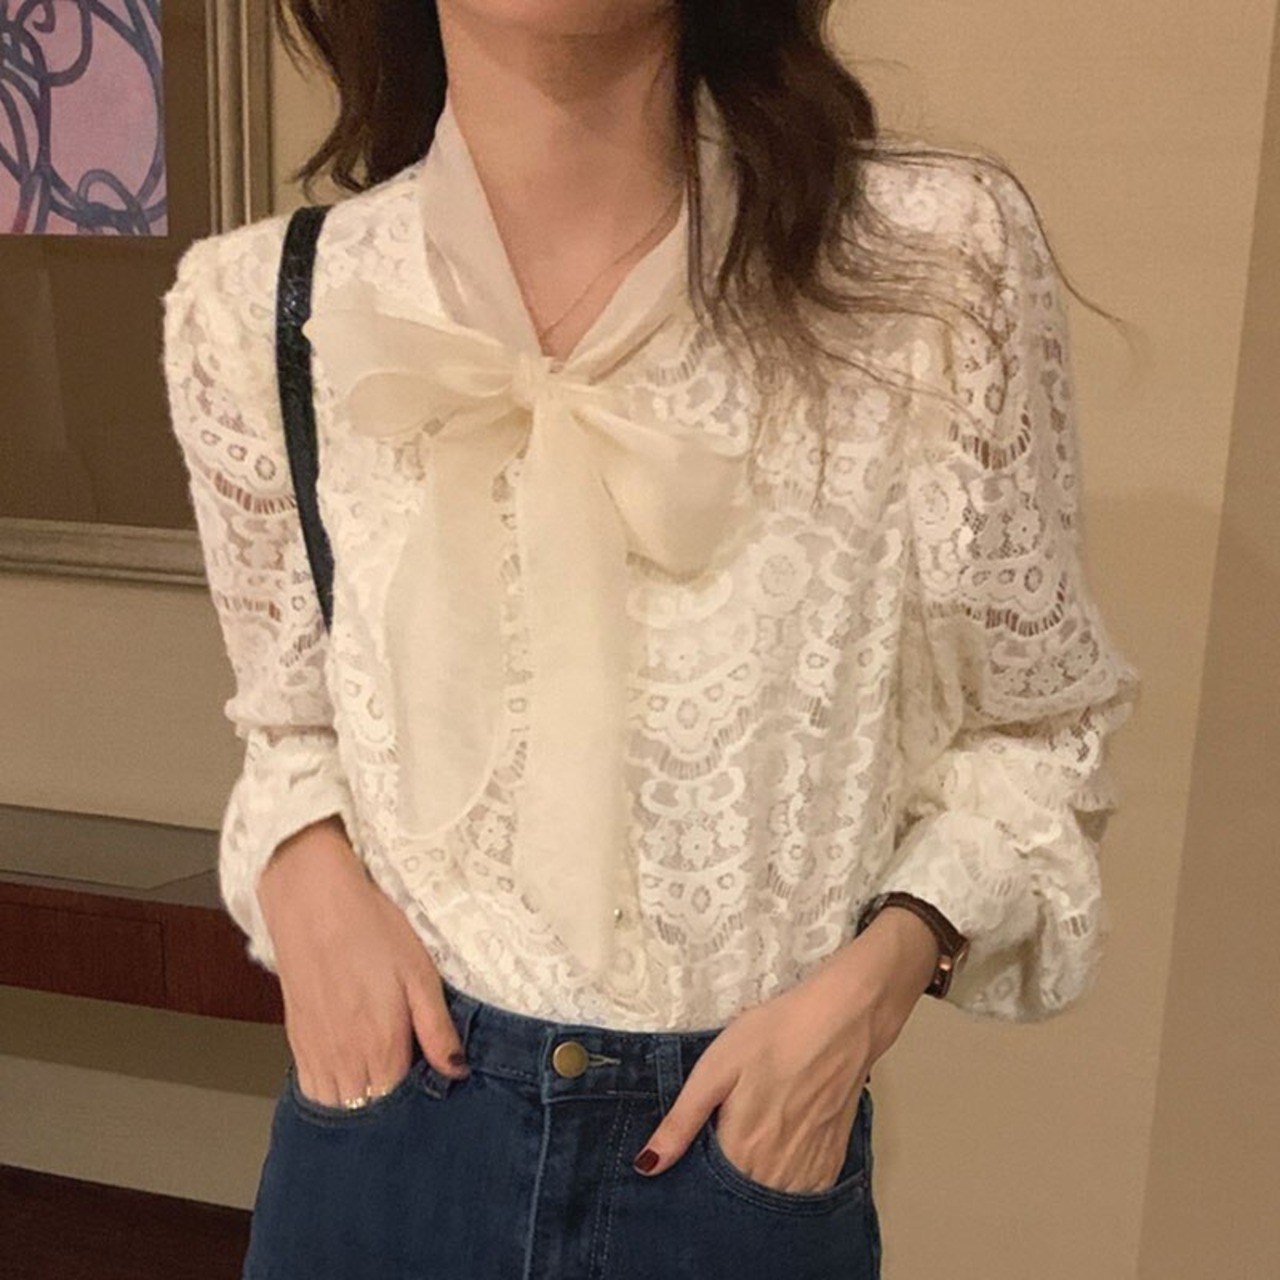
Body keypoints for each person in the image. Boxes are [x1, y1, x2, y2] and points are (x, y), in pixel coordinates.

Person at [161, 2, 1142, 1277]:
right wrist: (302, 874)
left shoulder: (930, 261)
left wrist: (877, 978)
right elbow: (290, 723)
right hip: (394, 1129)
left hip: (728, 1162)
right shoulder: (260, 307)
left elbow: (1039, 728)